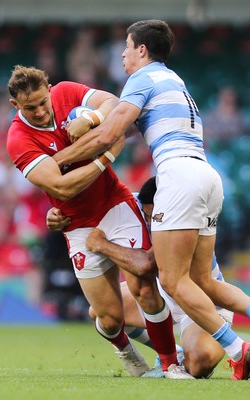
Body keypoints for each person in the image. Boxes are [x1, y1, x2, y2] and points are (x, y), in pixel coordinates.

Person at [51, 20, 250, 380]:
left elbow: (111, 133)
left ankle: (239, 350)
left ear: (142, 50)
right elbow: (117, 129)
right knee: (203, 281)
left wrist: (56, 163)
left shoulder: (142, 79)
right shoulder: (173, 80)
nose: (123, 54)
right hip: (205, 174)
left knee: (173, 281)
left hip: (177, 175)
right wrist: (94, 119)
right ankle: (206, 349)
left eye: (127, 47)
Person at [6, 65, 191, 379]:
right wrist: (106, 156)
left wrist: (90, 118)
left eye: (42, 102)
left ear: (49, 89)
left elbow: (113, 104)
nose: (39, 111)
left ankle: (171, 362)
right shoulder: (18, 139)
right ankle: (126, 352)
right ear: (15, 106)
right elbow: (62, 186)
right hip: (77, 224)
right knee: (108, 318)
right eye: (29, 107)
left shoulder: (66, 91)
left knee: (144, 284)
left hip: (114, 203)